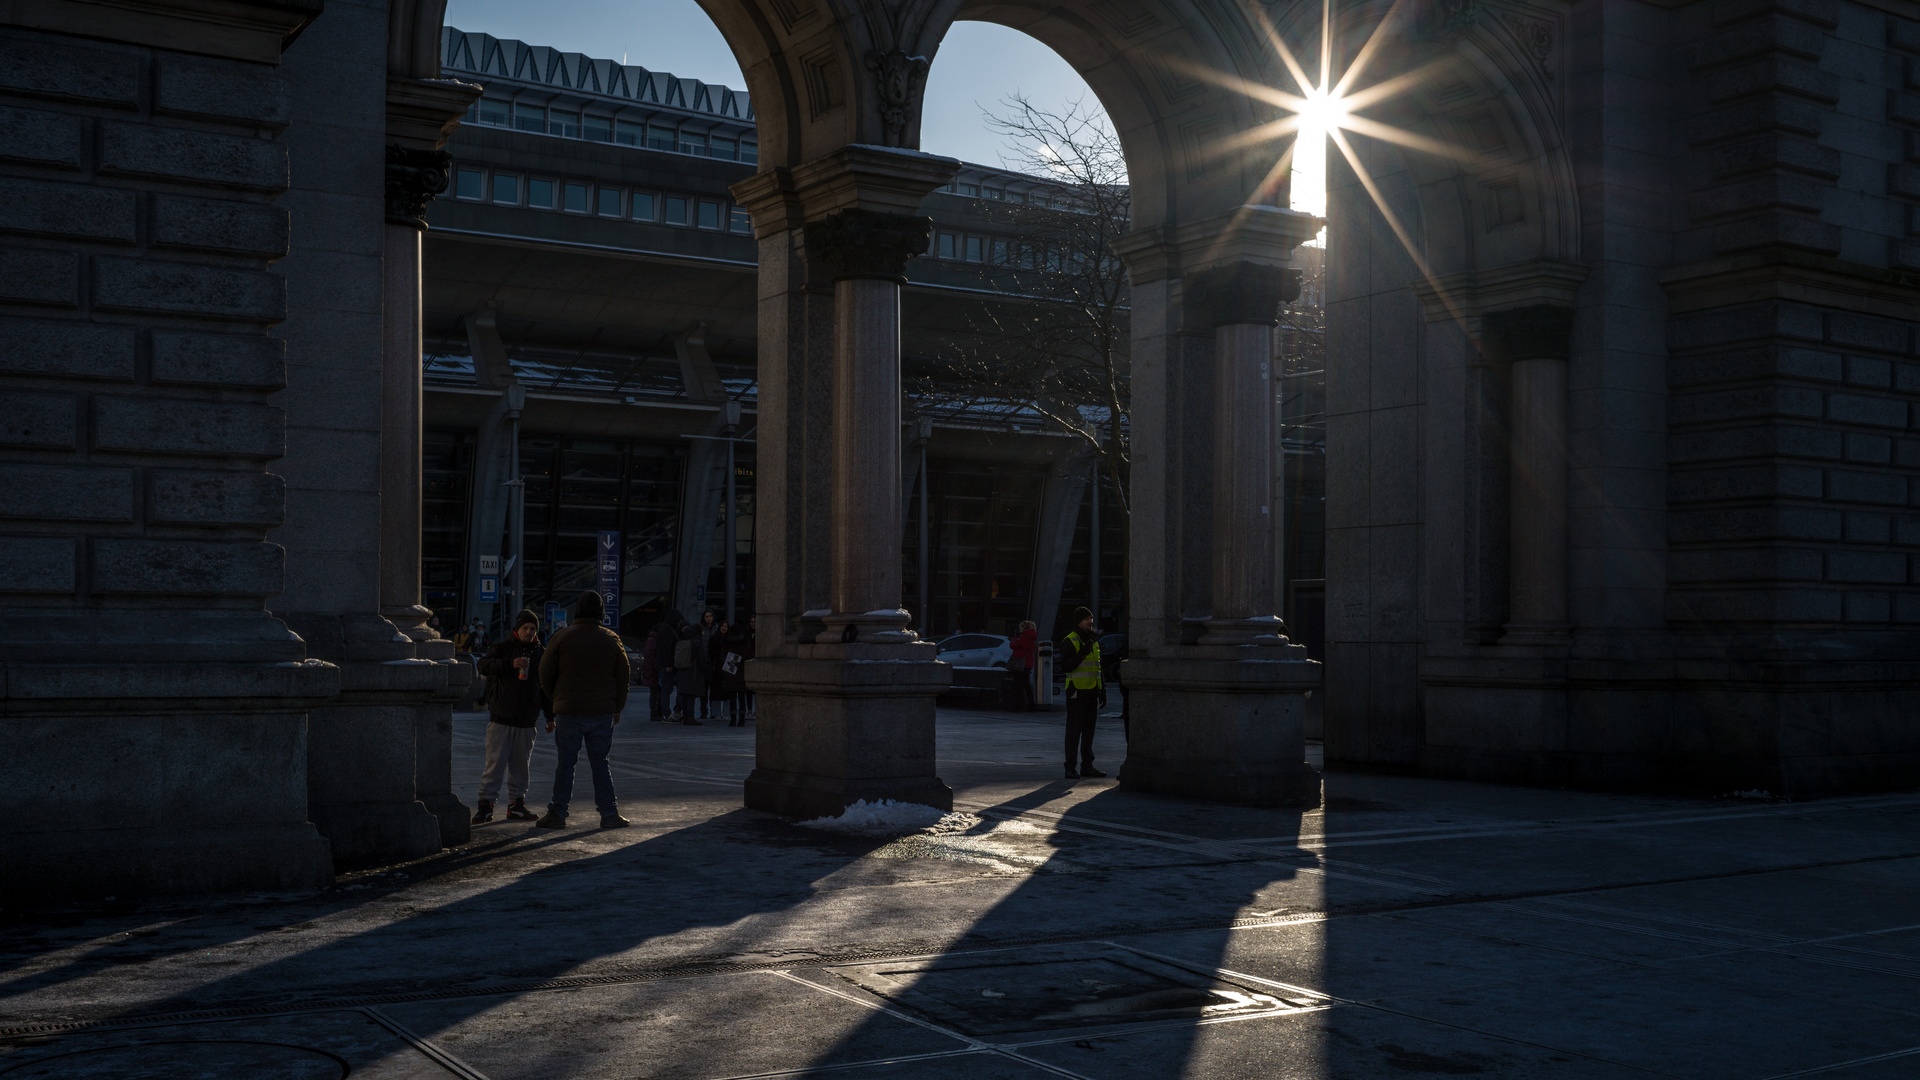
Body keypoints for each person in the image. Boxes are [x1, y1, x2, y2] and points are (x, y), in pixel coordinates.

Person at [535, 591, 632, 829]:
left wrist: (556, 697)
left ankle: (558, 813)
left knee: (566, 763)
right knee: (601, 762)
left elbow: (544, 672)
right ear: (601, 613)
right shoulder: (611, 639)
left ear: (577, 611)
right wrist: (617, 707)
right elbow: (624, 676)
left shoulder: (562, 636)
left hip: (568, 711)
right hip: (602, 712)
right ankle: (609, 814)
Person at [472, 609, 549, 824]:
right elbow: (483, 665)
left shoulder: (539, 652)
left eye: (533, 629)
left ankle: (516, 804)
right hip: (502, 717)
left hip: (526, 719)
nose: (529, 632)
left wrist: (550, 715)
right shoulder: (503, 647)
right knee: (495, 764)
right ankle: (485, 805)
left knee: (520, 766)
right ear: (517, 629)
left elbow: (543, 687)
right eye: (525, 628)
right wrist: (509, 664)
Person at [1059, 607, 1106, 779]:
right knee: (1074, 730)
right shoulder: (1070, 640)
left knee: (1089, 731)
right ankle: (1070, 767)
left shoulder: (1093, 641)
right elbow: (1065, 666)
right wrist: (1082, 653)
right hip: (1076, 692)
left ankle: (1087, 765)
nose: (1090, 621)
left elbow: (1098, 668)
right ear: (1078, 621)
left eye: (1091, 618)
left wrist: (1103, 690)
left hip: (1092, 691)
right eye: (1086, 619)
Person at [672, 615, 709, 725]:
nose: (703, 633)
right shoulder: (697, 643)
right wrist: (704, 670)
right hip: (694, 673)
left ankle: (685, 717)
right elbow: (702, 659)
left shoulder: (684, 641)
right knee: (691, 696)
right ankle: (690, 717)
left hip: (683, 672)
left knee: (684, 695)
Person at [1006, 620, 1038, 712]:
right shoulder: (1032, 637)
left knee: (1018, 686)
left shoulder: (1024, 637)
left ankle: (1019, 705)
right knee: (1026, 684)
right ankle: (1030, 704)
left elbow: (1012, 645)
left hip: (1020, 664)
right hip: (1027, 663)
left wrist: (1016, 636)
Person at [708, 621, 732, 723]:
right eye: (722, 626)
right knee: (716, 690)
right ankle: (716, 713)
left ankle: (726, 713)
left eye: (726, 627)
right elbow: (711, 653)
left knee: (727, 691)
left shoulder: (730, 640)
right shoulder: (713, 639)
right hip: (717, 668)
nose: (724, 628)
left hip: (727, 668)